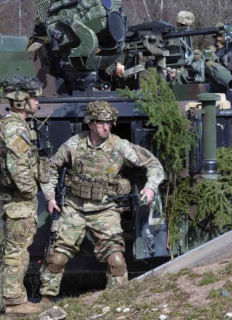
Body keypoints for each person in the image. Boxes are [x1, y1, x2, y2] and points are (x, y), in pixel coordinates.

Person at [39, 101, 164, 304]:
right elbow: (50, 169)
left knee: (115, 259)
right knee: (57, 257)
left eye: (109, 123)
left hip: (105, 209)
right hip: (73, 208)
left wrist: (150, 187)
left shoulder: (120, 146)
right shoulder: (73, 144)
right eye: (101, 123)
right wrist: (50, 197)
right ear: (90, 124)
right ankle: (45, 300)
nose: (106, 127)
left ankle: (117, 301)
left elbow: (153, 164)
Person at [0, 75, 44, 314]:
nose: (37, 102)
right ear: (20, 101)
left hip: (10, 199)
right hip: (18, 201)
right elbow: (18, 168)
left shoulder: (12, 125)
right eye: (33, 97)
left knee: (9, 250)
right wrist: (30, 191)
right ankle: (15, 302)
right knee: (16, 252)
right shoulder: (16, 127)